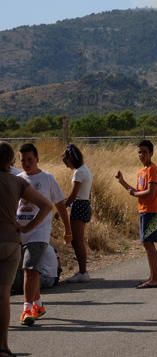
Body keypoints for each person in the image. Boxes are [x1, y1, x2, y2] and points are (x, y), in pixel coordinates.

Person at [1, 141, 53, 357]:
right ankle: (3, 346)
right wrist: (27, 227)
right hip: (12, 242)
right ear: (12, 161)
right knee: (3, 294)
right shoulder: (18, 182)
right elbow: (47, 205)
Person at [16, 143, 71, 327]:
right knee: (32, 270)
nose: (27, 164)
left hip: (39, 232)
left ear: (37, 158)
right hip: (20, 232)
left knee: (29, 269)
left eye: (30, 160)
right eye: (23, 160)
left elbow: (60, 205)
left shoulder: (47, 178)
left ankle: (26, 309)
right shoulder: (19, 179)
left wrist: (67, 229)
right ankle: (38, 305)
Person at [115, 140, 157, 289]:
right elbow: (136, 191)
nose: (141, 155)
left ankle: (156, 278)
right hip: (144, 210)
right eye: (139, 152)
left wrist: (135, 194)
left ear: (151, 153)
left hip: (152, 210)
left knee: (149, 244)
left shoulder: (152, 170)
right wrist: (122, 182)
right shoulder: (141, 171)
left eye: (144, 152)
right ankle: (152, 276)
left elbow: (150, 192)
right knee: (147, 243)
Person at [62, 144, 93, 283]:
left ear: (71, 159)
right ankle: (82, 271)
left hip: (79, 205)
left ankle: (83, 272)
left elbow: (74, 194)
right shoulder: (85, 169)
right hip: (84, 204)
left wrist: (62, 207)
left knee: (77, 241)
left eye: (67, 161)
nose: (66, 165)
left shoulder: (78, 172)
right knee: (78, 240)